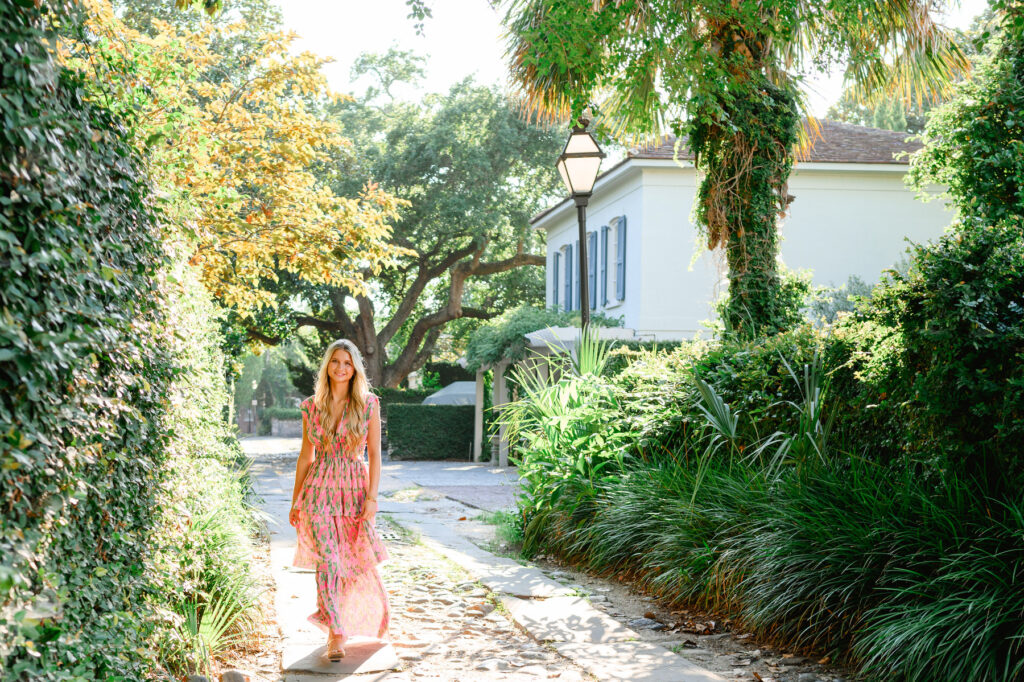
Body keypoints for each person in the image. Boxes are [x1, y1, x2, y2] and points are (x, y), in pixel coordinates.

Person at [288, 339, 391, 661]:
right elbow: (305, 457)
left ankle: (351, 622)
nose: (341, 368)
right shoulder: (311, 406)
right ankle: (336, 633)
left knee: (352, 562)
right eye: (335, 362)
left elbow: (374, 455)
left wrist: (372, 498)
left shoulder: (368, 403)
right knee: (328, 563)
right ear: (327, 367)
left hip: (354, 491)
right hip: (318, 491)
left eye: (347, 362)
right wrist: (295, 501)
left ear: (355, 368)